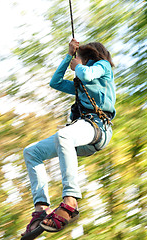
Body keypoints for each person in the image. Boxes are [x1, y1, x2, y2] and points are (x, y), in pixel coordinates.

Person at [21, 38, 116, 240]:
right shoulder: (80, 83)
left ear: (88, 58)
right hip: (80, 133)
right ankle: (40, 208)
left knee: (64, 135)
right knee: (31, 152)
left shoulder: (102, 66)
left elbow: (88, 74)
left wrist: (78, 66)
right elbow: (54, 82)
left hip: (97, 127)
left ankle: (71, 201)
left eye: (77, 58)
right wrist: (67, 57)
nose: (75, 62)